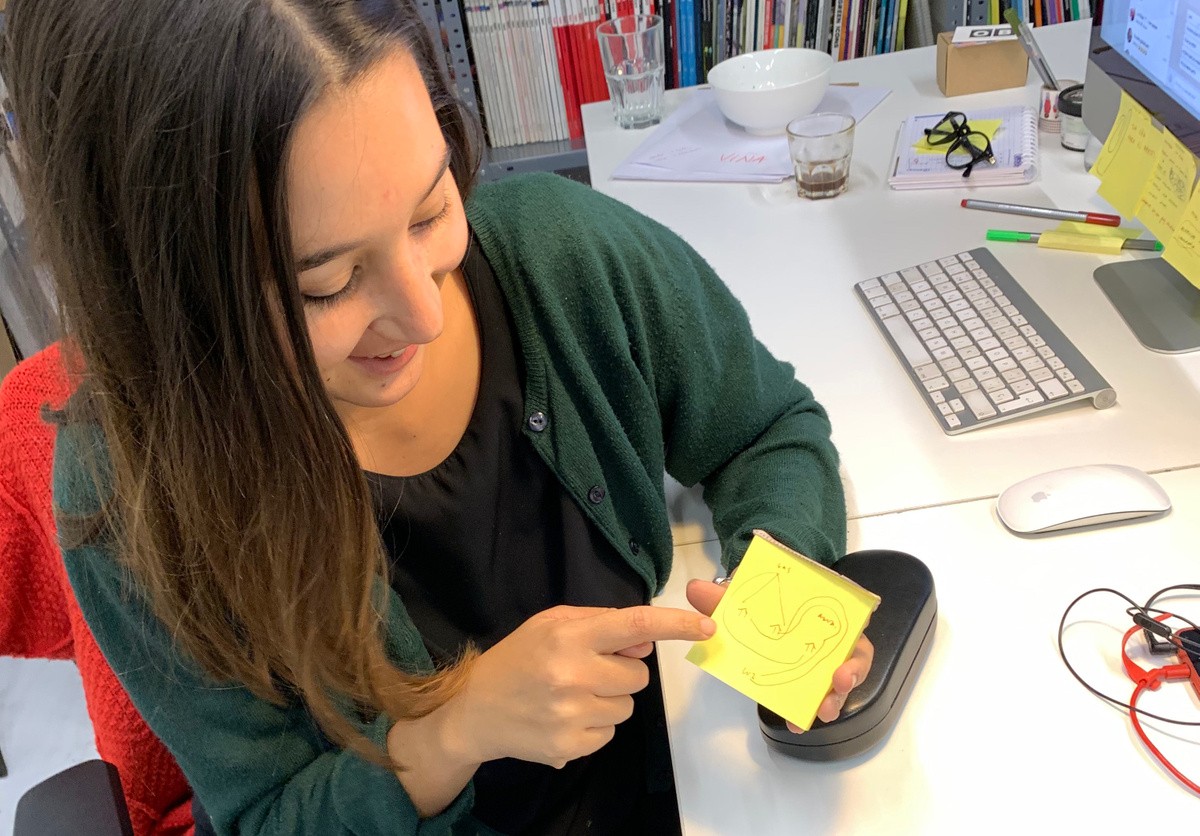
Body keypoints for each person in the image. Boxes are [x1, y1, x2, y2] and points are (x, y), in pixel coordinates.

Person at [5, 0, 873, 833]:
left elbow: (765, 428)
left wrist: (788, 610)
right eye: (327, 284)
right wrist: (453, 731)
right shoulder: (137, 487)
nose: (424, 313)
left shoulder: (563, 257)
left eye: (430, 210)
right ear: (166, 291)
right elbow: (270, 816)